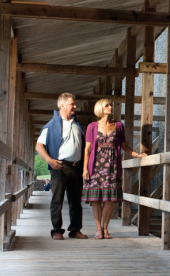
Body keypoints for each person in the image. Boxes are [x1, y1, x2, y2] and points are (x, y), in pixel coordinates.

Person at [82, 98, 143, 239]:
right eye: (107, 106)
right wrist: (85, 169)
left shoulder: (119, 126)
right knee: (95, 199)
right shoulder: (92, 126)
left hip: (113, 167)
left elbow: (124, 145)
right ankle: (98, 229)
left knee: (109, 200)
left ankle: (105, 228)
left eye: (110, 105)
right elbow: (88, 149)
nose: (110, 107)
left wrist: (136, 154)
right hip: (95, 166)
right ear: (100, 109)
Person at [35, 93, 88, 240]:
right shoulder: (51, 126)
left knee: (76, 201)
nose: (75, 106)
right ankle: (57, 230)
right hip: (59, 166)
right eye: (72, 103)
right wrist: (50, 161)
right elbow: (39, 146)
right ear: (62, 105)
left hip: (76, 167)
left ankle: (75, 230)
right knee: (57, 199)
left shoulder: (77, 124)